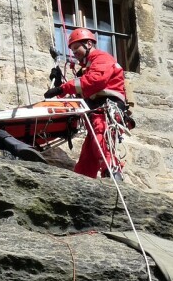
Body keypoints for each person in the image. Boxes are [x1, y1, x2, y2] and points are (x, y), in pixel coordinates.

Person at [43, 28, 127, 178]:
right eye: (72, 50)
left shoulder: (102, 58)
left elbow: (96, 81)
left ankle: (112, 173)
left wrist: (62, 88)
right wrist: (58, 85)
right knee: (87, 158)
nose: (74, 53)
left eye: (76, 48)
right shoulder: (86, 70)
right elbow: (75, 99)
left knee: (101, 141)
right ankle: (82, 184)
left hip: (105, 109)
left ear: (89, 44)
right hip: (95, 112)